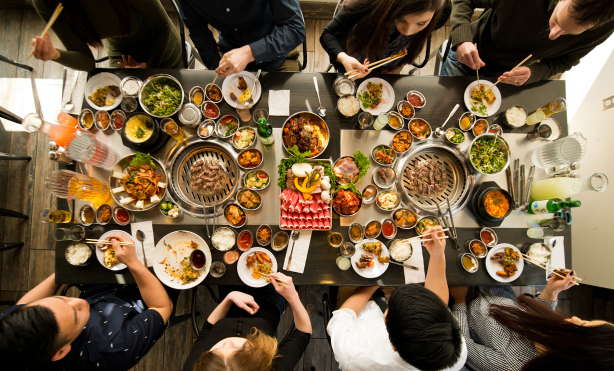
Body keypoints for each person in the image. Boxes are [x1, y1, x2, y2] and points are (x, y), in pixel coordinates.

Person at [0, 234, 172, 371]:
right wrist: (133, 263)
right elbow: (161, 307)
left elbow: (23, 304)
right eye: (75, 315)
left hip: (99, 288)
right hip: (149, 299)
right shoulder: (113, 351)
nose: (79, 302)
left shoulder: (10, 329)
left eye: (63, 299)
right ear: (61, 352)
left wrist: (65, 271)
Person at [326, 226, 468, 371]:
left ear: (392, 345)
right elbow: (439, 302)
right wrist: (437, 254)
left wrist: (375, 283)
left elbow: (343, 315)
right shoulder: (455, 350)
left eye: (391, 309)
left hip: (358, 312)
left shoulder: (352, 354)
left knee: (345, 278)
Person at [450, 270, 614, 371]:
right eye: (585, 320)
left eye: (581, 325)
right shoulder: (556, 340)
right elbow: (538, 318)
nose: (576, 318)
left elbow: (464, 346)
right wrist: (551, 291)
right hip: (500, 296)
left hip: (465, 306)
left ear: (571, 351)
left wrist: (459, 301)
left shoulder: (516, 365)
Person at [441, 0, 614, 85]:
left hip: (505, 78)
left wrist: (535, 72)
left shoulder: (605, 27)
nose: (553, 36)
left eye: (567, 33)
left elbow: (565, 62)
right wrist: (462, 39)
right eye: (556, 21)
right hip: (466, 55)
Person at [182, 272, 311, 371]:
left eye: (214, 351)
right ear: (257, 361)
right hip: (269, 301)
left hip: (231, 299)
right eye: (238, 348)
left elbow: (207, 331)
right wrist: (292, 296)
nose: (227, 342)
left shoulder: (197, 366)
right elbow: (303, 333)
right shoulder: (272, 367)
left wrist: (229, 298)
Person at [31, 0, 183, 71]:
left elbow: (163, 26)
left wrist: (150, 66)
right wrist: (55, 54)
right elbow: (87, 63)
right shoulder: (46, 3)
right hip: (122, 51)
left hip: (160, 43)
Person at [320, 0, 451, 80]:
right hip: (355, 60)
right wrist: (344, 59)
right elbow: (328, 35)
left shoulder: (442, 10)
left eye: (421, 23)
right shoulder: (367, 3)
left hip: (389, 65)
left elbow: (412, 46)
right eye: (401, 19)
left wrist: (399, 66)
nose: (407, 32)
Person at [179, 0, 306, 76]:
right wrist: (216, 66)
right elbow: (198, 33)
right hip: (228, 52)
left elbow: (295, 29)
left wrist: (249, 53)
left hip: (277, 53)